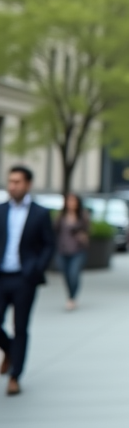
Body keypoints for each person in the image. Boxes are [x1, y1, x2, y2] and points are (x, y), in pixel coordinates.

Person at [0, 165, 56, 395]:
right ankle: (11, 350)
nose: (13, 185)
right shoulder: (1, 210)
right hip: (1, 276)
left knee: (20, 327)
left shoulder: (40, 213)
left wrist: (36, 269)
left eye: (18, 182)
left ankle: (15, 376)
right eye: (10, 181)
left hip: (25, 278)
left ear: (28, 184)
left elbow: (48, 245)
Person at [55, 192, 91, 310]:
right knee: (66, 275)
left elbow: (88, 232)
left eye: (73, 201)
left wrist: (83, 237)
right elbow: (54, 231)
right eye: (69, 201)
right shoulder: (61, 216)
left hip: (78, 250)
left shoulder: (82, 216)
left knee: (73, 274)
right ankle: (70, 295)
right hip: (63, 250)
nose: (71, 203)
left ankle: (72, 297)